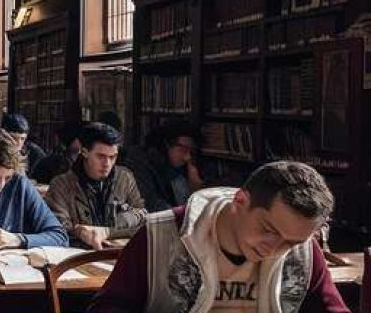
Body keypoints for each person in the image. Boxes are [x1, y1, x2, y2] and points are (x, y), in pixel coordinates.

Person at [88, 161, 348, 313]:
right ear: (240, 201)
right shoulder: (159, 235)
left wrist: (297, 244)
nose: (276, 250)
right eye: (269, 230)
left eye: (292, 242)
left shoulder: (304, 251)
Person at [44, 123, 147, 250]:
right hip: (79, 255)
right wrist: (80, 232)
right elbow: (57, 229)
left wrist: (109, 231)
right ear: (85, 152)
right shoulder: (62, 185)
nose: (107, 163)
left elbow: (142, 216)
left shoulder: (124, 177)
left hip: (118, 253)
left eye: (113, 157)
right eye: (101, 156)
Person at [123, 120, 201, 212]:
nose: (188, 157)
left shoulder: (180, 166)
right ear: (166, 145)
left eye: (191, 151)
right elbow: (151, 204)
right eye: (183, 150)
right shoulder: (139, 163)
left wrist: (195, 188)